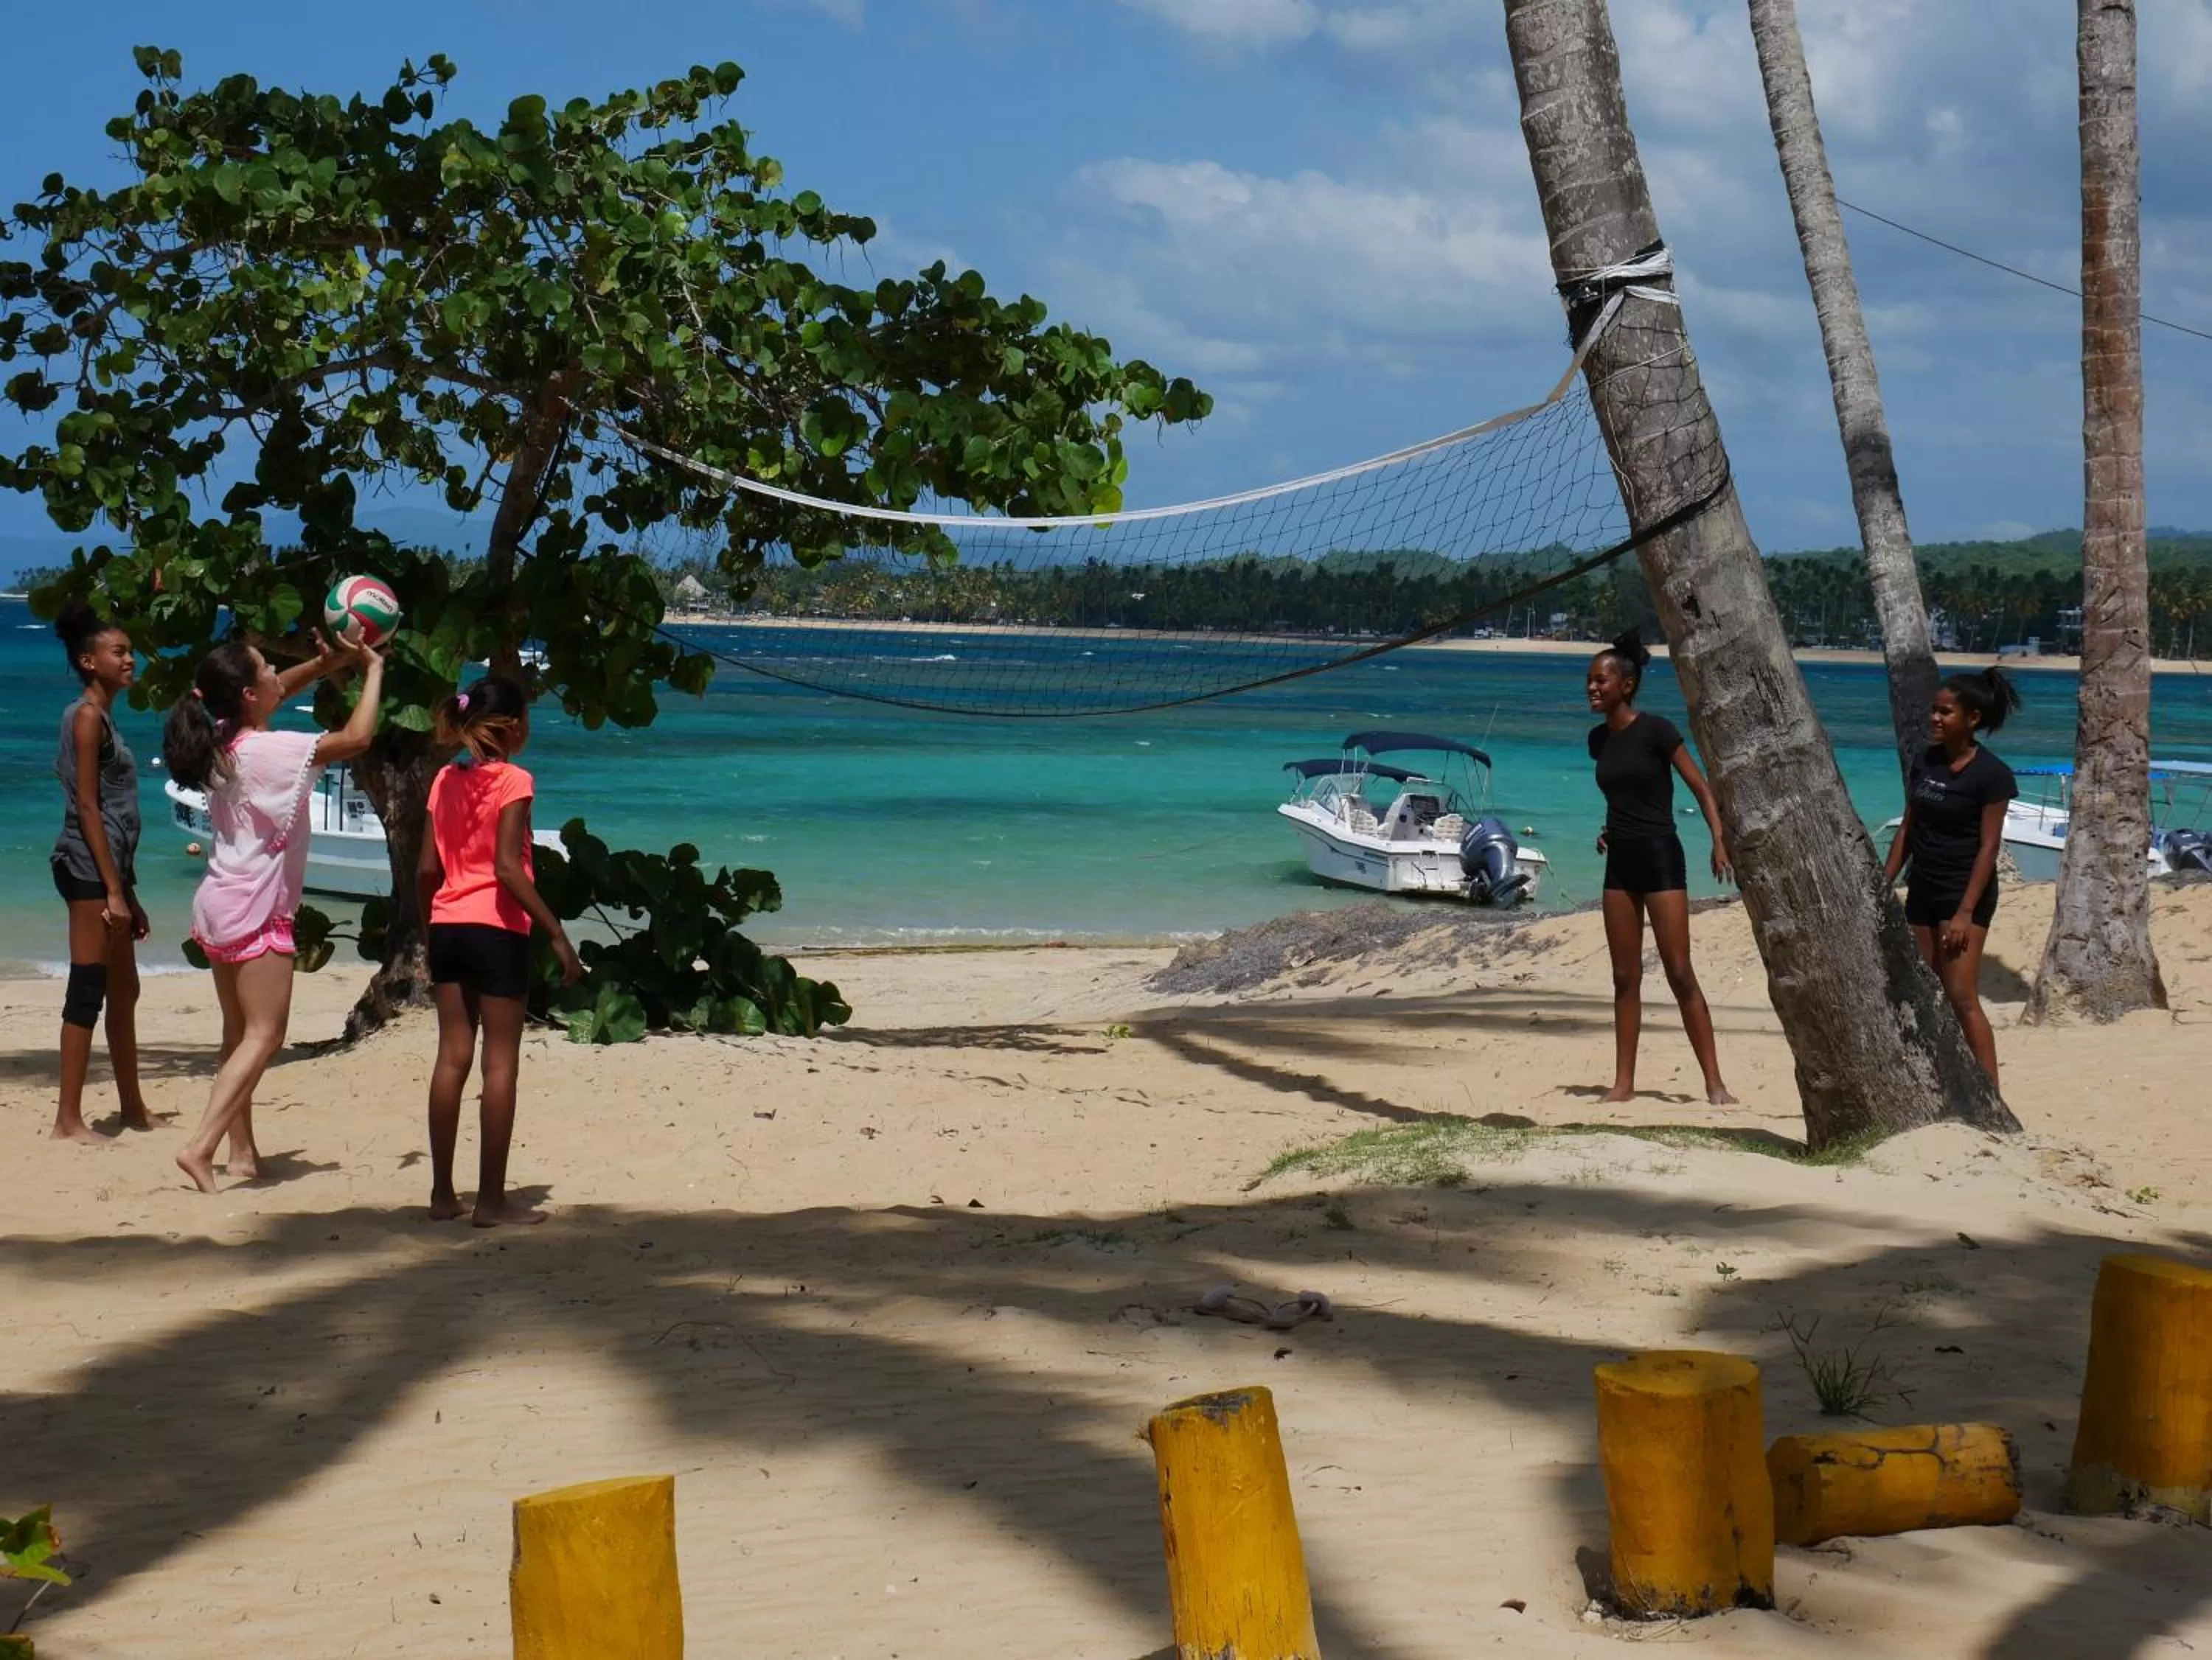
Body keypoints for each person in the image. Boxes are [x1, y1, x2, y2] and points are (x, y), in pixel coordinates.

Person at [162, 634, 383, 1193]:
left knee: (237, 1034)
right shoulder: (271, 750)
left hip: (219, 899)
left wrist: (325, 663)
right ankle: (200, 1147)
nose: (276, 675)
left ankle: (241, 1154)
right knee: (265, 1036)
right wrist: (373, 669)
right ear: (246, 694)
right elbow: (357, 738)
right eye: (266, 669)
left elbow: (276, 688)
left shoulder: (220, 737)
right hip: (255, 906)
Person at [418, 676, 582, 1227]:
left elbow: (426, 871)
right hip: (496, 929)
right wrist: (556, 933)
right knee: (499, 1065)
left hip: (447, 925)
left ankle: (442, 1195)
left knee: (451, 1059)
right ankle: (491, 1201)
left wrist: (428, 930)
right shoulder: (514, 780)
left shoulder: (444, 778)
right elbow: (508, 867)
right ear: (513, 729)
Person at [1586, 629, 1737, 1106]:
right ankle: (1623, 1084)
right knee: (1624, 977)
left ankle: (1715, 1083)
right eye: (1590, 681)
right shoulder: (1598, 740)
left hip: (1660, 857)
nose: (1592, 688)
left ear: (1626, 685)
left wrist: (1718, 839)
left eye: (1601, 681)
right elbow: (1624, 795)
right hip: (1620, 862)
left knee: (1679, 971)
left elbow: (1701, 787)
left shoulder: (1656, 731)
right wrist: (1609, 828)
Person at [1882, 669, 2021, 1085]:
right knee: (1928, 988)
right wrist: (1883, 882)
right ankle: (1947, 1079)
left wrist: (1964, 913)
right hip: (1923, 887)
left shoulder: (1992, 775)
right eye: (1934, 711)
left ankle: (1991, 1092)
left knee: (1961, 996)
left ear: (1972, 719)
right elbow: (1908, 829)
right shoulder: (1926, 761)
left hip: (1964, 893)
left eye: (1945, 712)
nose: (1935, 718)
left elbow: (1988, 848)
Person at [50, 600, 156, 1143]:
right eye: (119, 652)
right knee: (88, 988)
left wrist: (129, 894)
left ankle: (132, 1107)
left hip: (110, 871)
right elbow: (89, 807)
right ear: (89, 661)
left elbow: (115, 816)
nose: (130, 659)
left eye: (131, 651)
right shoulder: (87, 716)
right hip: (87, 869)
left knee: (125, 988)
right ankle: (68, 1121)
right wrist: (113, 890)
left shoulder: (104, 715)